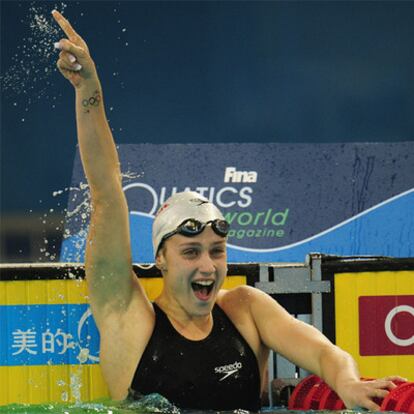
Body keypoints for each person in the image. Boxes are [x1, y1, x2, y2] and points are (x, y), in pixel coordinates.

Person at [52, 9, 404, 411]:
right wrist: (88, 90)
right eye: (191, 251)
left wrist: (349, 383)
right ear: (161, 259)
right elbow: (106, 191)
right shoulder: (130, 318)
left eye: (216, 249)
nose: (208, 265)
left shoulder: (246, 310)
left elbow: (326, 355)